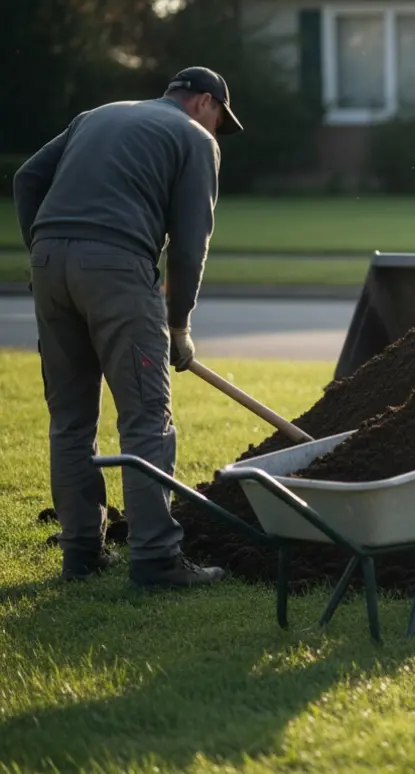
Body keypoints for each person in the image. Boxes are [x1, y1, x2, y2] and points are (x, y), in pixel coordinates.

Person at [14, 66, 244, 587]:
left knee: (70, 419)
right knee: (145, 418)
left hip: (49, 264)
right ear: (204, 102)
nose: (215, 132)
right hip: (117, 268)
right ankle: (157, 561)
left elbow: (27, 178)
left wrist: (45, 253)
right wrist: (179, 325)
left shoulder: (96, 116)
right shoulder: (194, 139)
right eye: (218, 121)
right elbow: (189, 246)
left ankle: (81, 555)